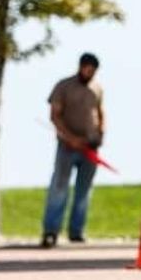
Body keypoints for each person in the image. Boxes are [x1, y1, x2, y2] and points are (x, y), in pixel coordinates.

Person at [40, 53, 105, 247]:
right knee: (59, 188)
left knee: (84, 191)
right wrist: (70, 138)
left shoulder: (97, 89)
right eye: (87, 68)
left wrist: (101, 134)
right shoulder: (63, 86)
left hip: (90, 148)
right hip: (67, 147)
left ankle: (76, 231)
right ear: (80, 67)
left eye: (93, 70)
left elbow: (101, 113)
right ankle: (51, 231)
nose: (89, 73)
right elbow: (55, 115)